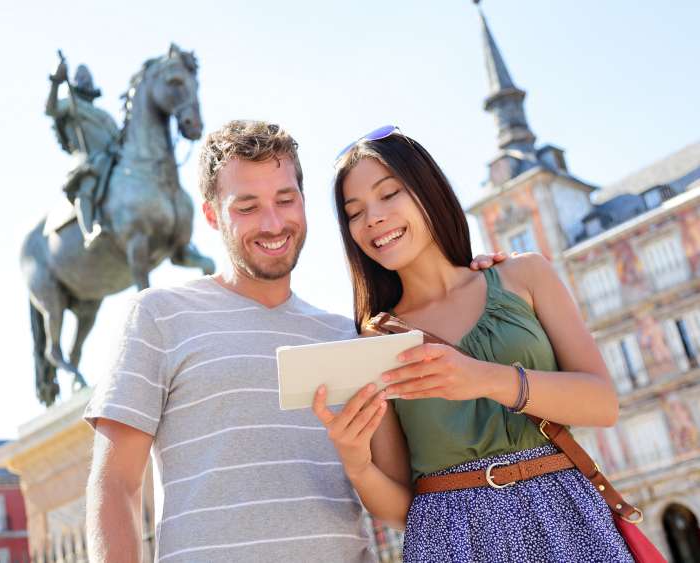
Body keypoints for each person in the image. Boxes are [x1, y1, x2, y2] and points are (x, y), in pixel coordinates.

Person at [83, 120, 503, 562]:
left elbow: (405, 504)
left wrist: (475, 277)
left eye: (286, 199)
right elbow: (115, 484)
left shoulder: (350, 335)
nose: (273, 223)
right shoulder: (159, 315)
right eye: (246, 207)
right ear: (211, 215)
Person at [312, 126, 634, 562]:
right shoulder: (375, 339)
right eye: (354, 212)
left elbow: (603, 404)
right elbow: (400, 507)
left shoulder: (525, 276)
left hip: (567, 517)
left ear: (428, 191)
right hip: (452, 541)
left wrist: (484, 378)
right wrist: (356, 463)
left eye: (389, 194)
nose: (373, 219)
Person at [46, 59, 120, 247]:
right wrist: (56, 81)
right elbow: (51, 109)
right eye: (82, 77)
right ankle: (89, 231)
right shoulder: (70, 104)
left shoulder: (104, 115)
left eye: (88, 77)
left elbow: (118, 138)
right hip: (87, 159)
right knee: (88, 183)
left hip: (111, 158)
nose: (86, 81)